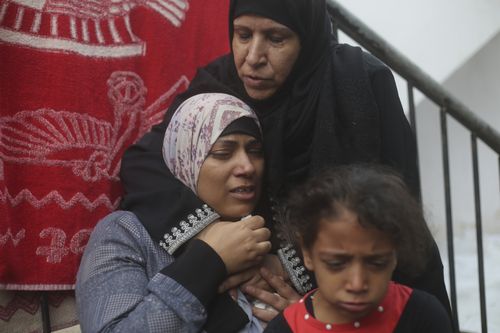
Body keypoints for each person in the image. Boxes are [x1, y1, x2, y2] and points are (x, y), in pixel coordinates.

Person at [119, 0, 452, 321]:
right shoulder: (219, 87)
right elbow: (146, 161)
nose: (253, 57)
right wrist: (218, 236)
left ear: (306, 37)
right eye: (243, 34)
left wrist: (314, 295)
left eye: (276, 38)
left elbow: (394, 209)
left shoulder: (359, 82)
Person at [76, 93, 273, 333]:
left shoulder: (271, 239)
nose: (247, 167)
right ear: (185, 159)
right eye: (223, 152)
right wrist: (208, 262)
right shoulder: (126, 235)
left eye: (255, 151)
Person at [264, 165, 453, 333]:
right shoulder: (284, 329)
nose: (357, 284)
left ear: (395, 254)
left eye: (377, 263)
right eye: (336, 264)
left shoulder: (421, 316)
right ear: (307, 253)